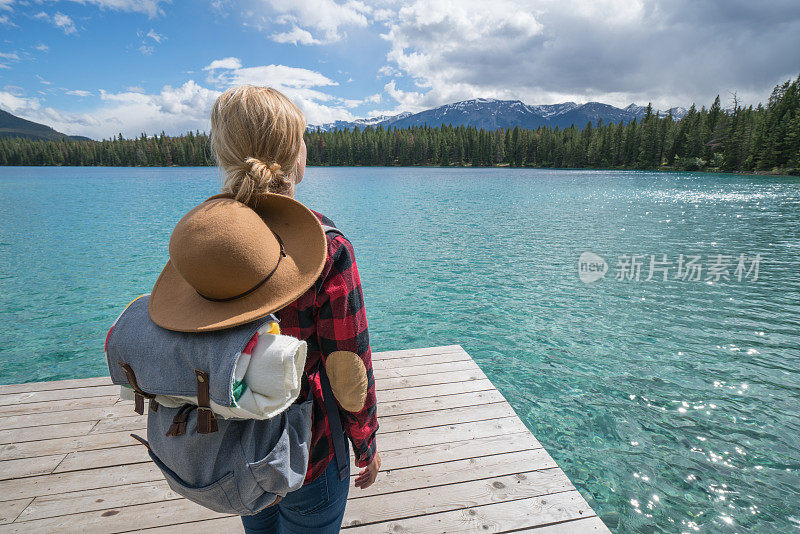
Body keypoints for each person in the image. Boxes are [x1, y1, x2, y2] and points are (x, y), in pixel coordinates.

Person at [209, 85, 381, 533]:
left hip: (240, 447)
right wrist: (365, 443)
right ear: (293, 157)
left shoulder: (206, 244)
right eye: (302, 137)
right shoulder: (326, 248)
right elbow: (348, 367)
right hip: (310, 449)